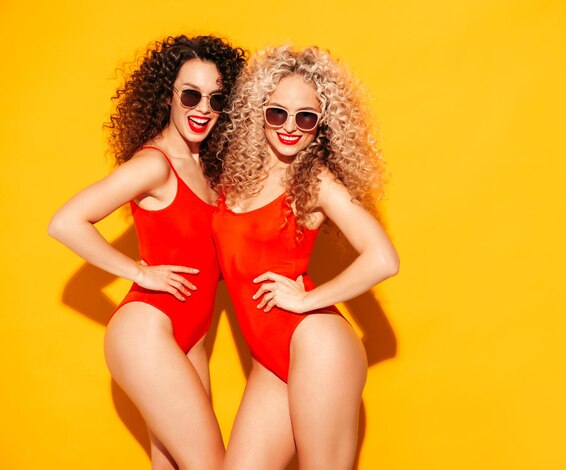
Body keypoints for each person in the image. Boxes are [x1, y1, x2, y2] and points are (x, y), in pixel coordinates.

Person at [48, 35, 245, 469]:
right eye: (191, 95)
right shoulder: (155, 164)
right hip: (147, 331)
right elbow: (65, 222)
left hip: (192, 336)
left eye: (215, 99)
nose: (202, 110)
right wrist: (139, 272)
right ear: (167, 96)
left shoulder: (207, 169)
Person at [212, 45, 399, 469]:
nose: (290, 127)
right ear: (258, 112)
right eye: (277, 113)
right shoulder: (236, 177)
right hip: (270, 359)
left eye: (306, 117)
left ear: (321, 125)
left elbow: (383, 258)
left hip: (317, 346)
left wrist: (305, 300)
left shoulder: (315, 181)